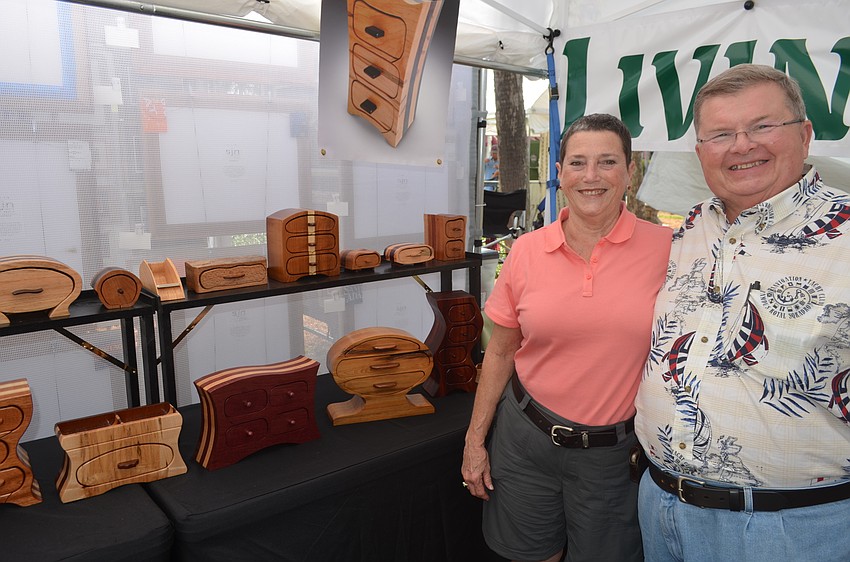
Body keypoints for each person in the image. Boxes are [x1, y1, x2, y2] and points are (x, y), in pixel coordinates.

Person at [635, 64, 850, 562]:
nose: (741, 145)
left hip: (794, 530)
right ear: (700, 153)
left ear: (805, 133)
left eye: (761, 126)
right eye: (721, 134)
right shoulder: (692, 228)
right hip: (662, 508)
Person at [462, 113, 672, 562]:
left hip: (612, 456)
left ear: (630, 172)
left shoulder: (666, 250)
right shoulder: (525, 250)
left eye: (607, 162)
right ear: (559, 174)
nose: (591, 176)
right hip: (524, 441)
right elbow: (500, 351)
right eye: (577, 163)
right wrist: (474, 441)